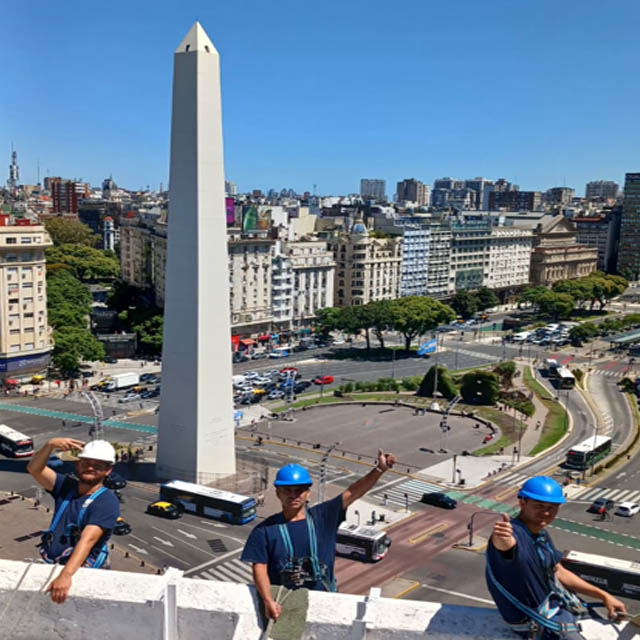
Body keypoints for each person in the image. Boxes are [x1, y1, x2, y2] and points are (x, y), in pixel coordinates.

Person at [241, 449, 397, 621]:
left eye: (299, 490)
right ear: (278, 493)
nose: (293, 495)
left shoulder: (323, 517)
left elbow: (353, 492)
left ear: (308, 492)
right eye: (287, 490)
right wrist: (267, 600)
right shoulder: (264, 530)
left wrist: (379, 469)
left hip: (324, 601)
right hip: (285, 606)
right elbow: (259, 567)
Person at [486, 476, 626, 639]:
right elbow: (506, 547)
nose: (546, 513)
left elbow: (558, 571)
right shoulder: (515, 534)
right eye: (539, 506)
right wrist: (502, 539)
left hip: (560, 609)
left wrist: (604, 596)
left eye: (552, 508)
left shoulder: (541, 535)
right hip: (538, 623)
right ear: (523, 503)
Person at [27, 438, 120, 604]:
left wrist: (66, 575)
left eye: (97, 466)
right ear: (77, 465)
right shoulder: (66, 487)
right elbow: (34, 469)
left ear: (107, 471)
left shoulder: (106, 501)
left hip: (83, 571)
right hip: (57, 563)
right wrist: (49, 445)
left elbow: (88, 539)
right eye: (86, 463)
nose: (90, 468)